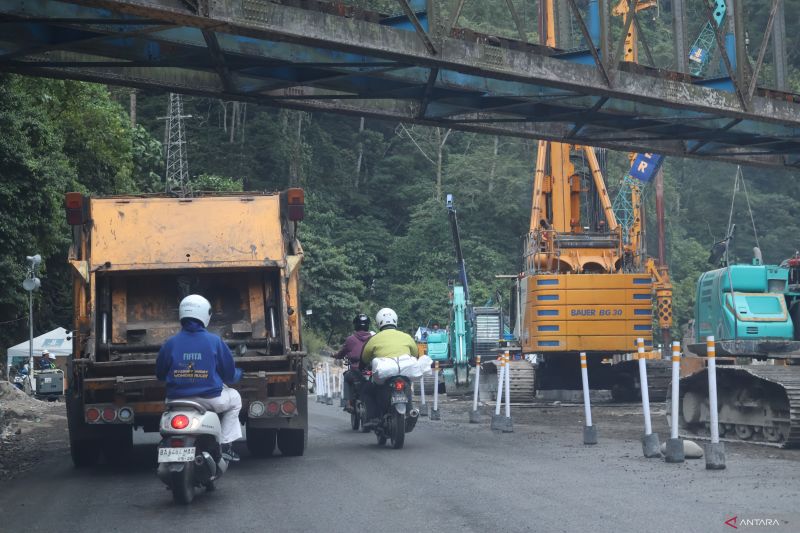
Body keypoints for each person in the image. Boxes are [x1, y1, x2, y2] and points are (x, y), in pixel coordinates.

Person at [156, 294, 243, 462]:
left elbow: (160, 374)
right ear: (205, 314)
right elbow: (229, 375)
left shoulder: (170, 343)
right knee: (235, 399)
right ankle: (224, 445)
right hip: (210, 400)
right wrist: (239, 374)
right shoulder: (215, 341)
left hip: (176, 401)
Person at [360, 308, 419, 428]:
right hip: (404, 372)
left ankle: (372, 417)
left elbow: (364, 358)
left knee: (367, 390)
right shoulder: (406, 336)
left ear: (378, 322)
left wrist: (362, 367)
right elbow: (416, 354)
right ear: (395, 320)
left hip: (384, 374)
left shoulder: (374, 339)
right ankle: (410, 410)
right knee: (407, 384)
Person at [333, 313, 373, 411]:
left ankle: (348, 403)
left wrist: (336, 356)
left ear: (355, 325)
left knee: (346, 378)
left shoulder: (350, 339)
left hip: (356, 371)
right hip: (371, 370)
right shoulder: (373, 338)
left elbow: (342, 353)